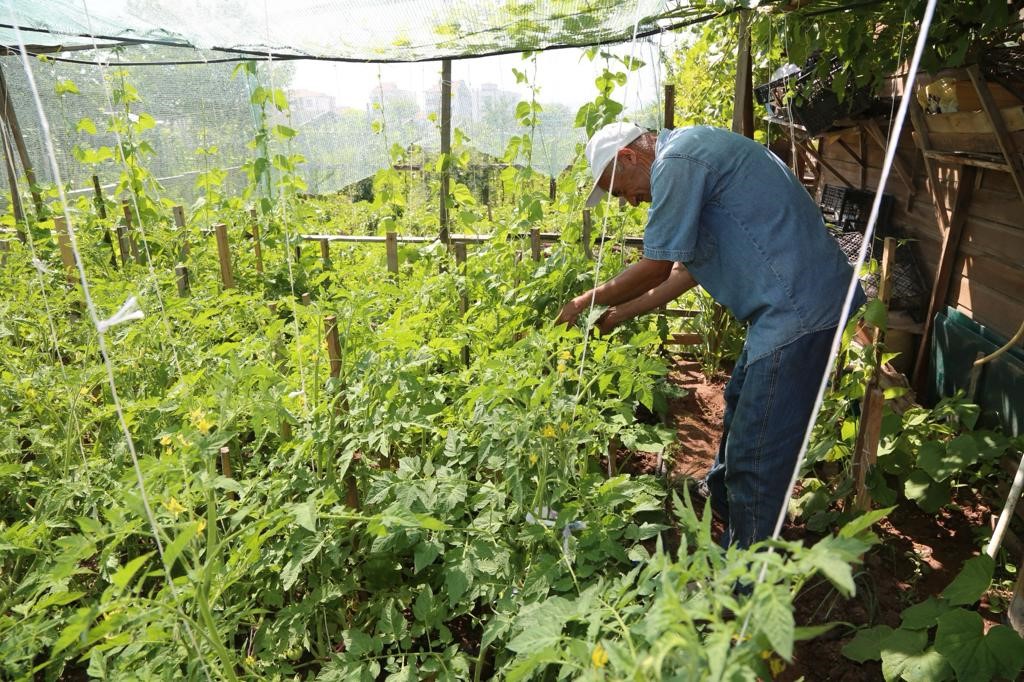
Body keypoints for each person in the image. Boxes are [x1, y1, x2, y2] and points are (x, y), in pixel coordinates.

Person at [557, 122, 865, 549]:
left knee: (759, 451)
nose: (630, 201)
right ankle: (720, 496)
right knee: (740, 401)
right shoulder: (689, 152)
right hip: (791, 306)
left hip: (798, 310)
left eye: (621, 189)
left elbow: (656, 266)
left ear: (629, 157)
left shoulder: (676, 162)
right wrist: (617, 314)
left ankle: (746, 573)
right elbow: (684, 273)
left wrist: (583, 302)